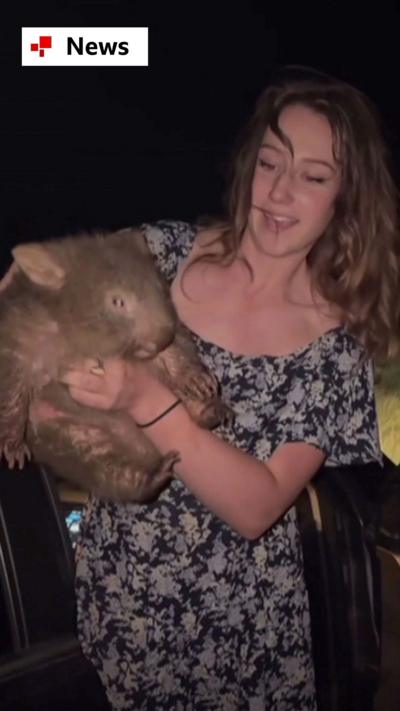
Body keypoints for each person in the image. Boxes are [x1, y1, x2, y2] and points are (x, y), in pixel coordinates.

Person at [63, 66, 400, 710]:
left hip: (236, 642)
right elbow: (45, 289)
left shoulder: (336, 347)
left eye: (313, 177)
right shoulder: (161, 257)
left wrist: (145, 400)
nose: (278, 193)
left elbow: (257, 506)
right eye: (271, 163)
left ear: (344, 199)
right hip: (113, 606)